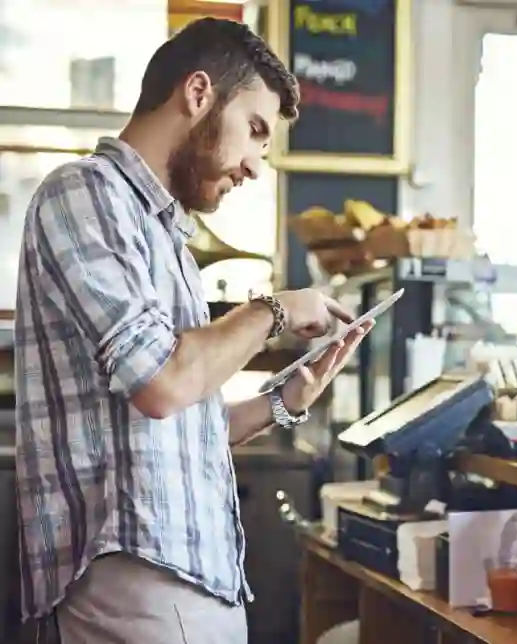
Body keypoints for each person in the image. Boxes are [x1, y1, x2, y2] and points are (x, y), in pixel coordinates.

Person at [13, 17, 363, 644]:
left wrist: (283, 402)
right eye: (254, 131)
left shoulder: (164, 232)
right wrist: (273, 311)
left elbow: (172, 431)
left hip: (186, 579)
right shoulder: (86, 193)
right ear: (198, 94)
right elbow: (164, 383)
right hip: (138, 577)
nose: (256, 166)